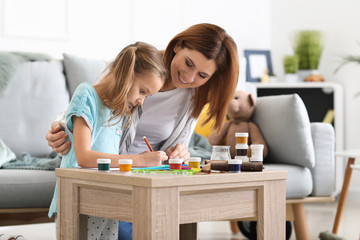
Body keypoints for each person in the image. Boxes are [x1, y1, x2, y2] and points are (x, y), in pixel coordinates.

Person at [46, 23, 239, 239]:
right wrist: (61, 128)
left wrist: (179, 151)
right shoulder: (138, 64)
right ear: (178, 46)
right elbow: (92, 105)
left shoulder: (194, 97)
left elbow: (175, 147)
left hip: (147, 174)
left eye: (202, 75)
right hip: (113, 171)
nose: (189, 77)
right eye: (188, 63)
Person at [47, 41, 168, 240]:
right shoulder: (87, 94)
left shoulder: (120, 110)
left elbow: (110, 159)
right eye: (142, 91)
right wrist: (139, 160)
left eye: (147, 96)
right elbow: (85, 157)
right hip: (77, 196)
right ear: (126, 75)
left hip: (105, 199)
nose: (141, 101)